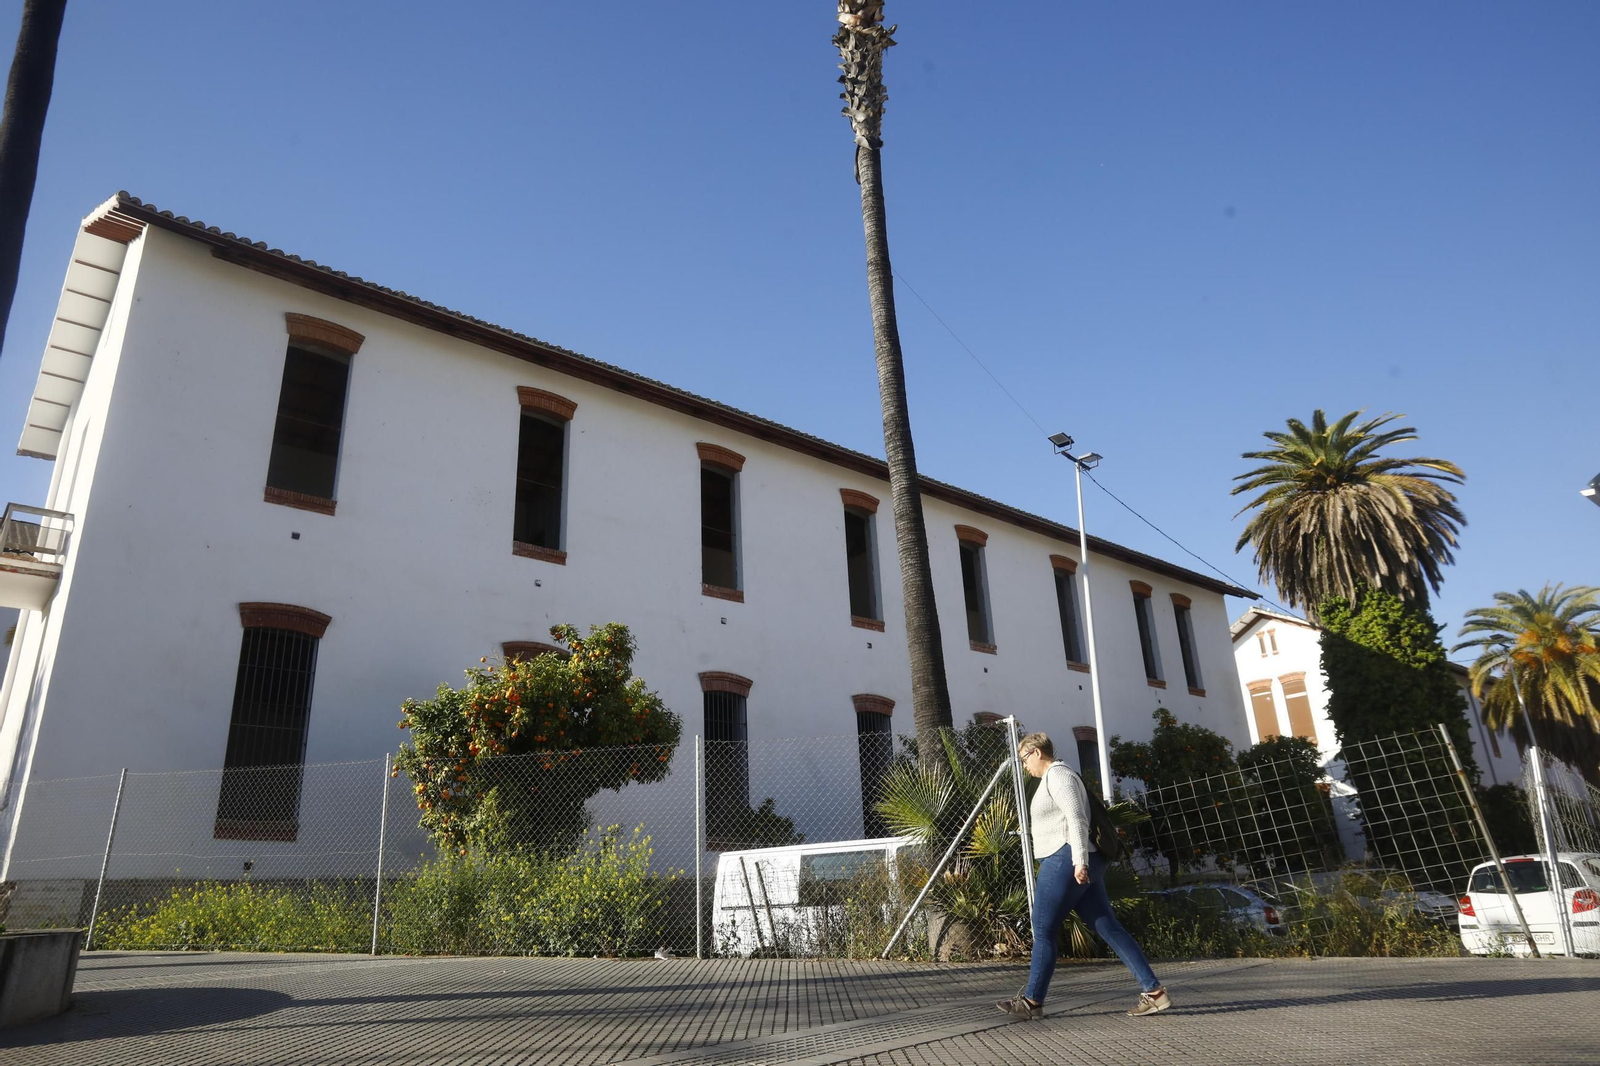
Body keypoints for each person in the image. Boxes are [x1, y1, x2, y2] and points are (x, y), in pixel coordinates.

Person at [996, 731, 1170, 1020]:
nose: (1024, 765)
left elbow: (1077, 818)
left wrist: (1079, 861)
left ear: (1037, 752)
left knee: (1044, 929)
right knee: (1108, 927)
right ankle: (1154, 993)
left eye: (1024, 758)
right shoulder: (1055, 776)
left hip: (1066, 858)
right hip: (1077, 858)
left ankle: (1032, 1002)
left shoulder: (1058, 775)